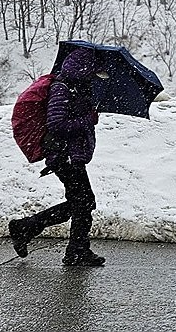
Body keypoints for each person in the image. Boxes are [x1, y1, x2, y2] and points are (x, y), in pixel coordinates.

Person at [8, 46, 106, 266]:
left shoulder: (78, 88)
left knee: (80, 203)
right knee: (84, 203)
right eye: (93, 72)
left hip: (72, 155)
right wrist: (87, 120)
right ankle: (76, 251)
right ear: (84, 69)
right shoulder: (62, 89)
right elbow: (57, 124)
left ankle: (26, 228)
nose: (94, 77)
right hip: (63, 155)